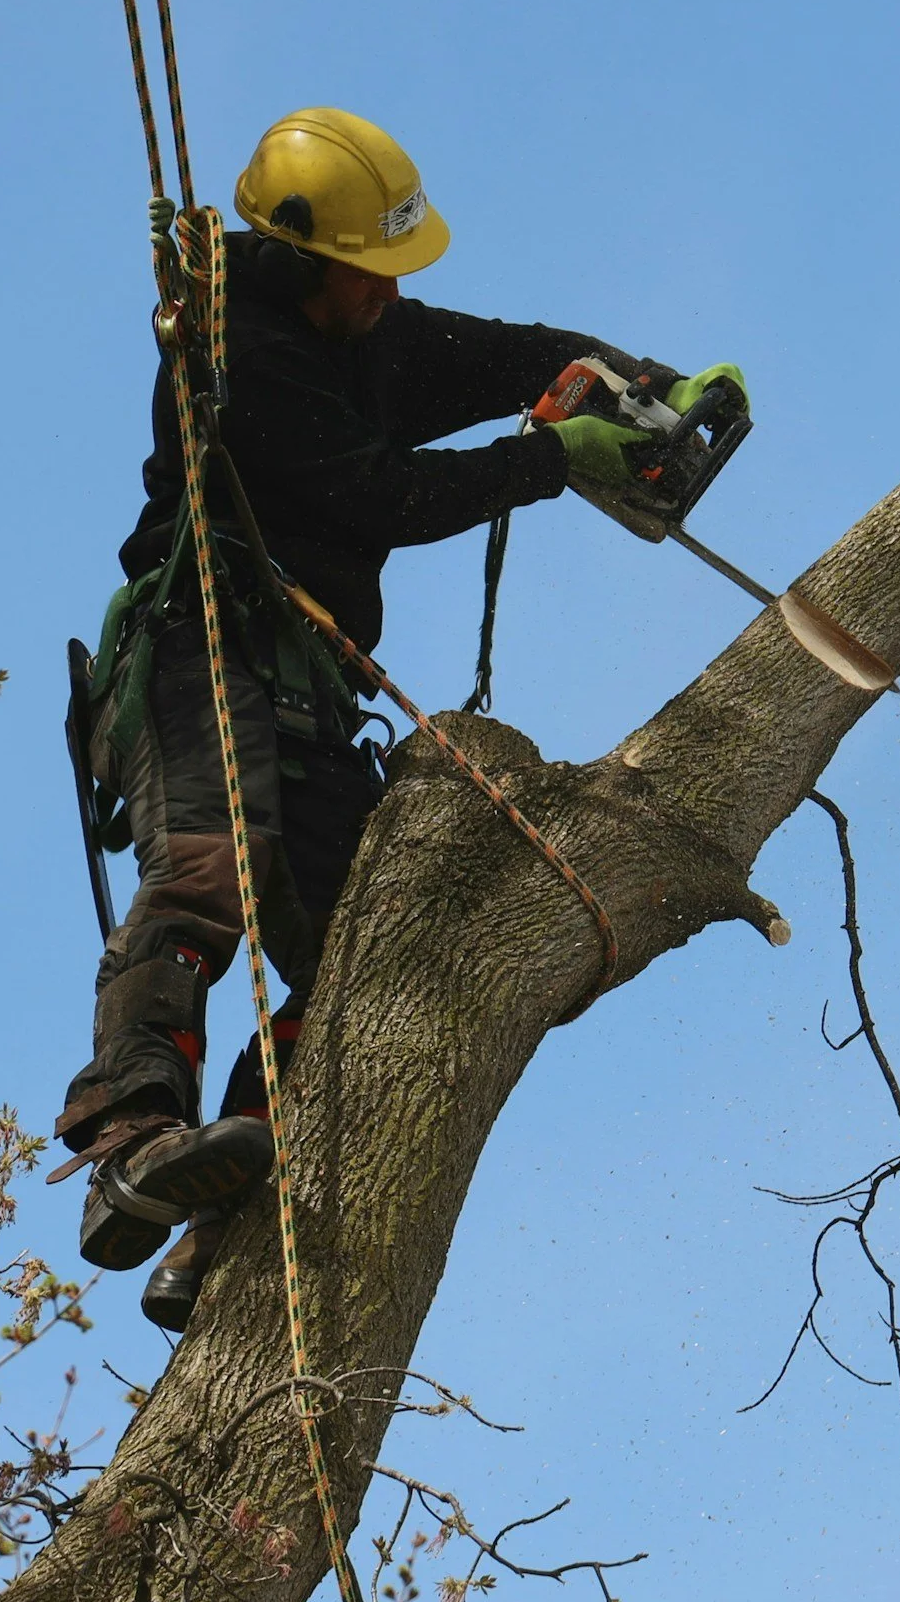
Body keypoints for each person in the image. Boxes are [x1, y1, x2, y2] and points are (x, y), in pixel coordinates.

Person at [53, 107, 744, 1331]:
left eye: (391, 275)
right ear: (303, 258)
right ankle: (132, 1140)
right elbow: (389, 495)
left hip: (312, 695)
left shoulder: (372, 328)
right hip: (193, 645)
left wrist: (640, 381)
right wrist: (551, 458)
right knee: (208, 870)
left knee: (371, 952)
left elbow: (516, 354)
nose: (384, 296)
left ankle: (228, 1213)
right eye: (364, 276)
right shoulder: (238, 349)